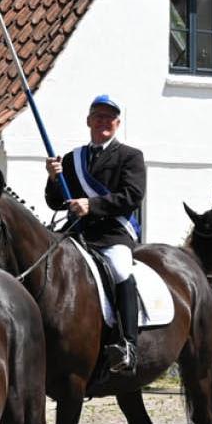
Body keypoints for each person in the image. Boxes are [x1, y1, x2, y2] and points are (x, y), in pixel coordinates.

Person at [44, 94, 146, 374]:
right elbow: (55, 202)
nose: (104, 122)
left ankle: (128, 344)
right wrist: (54, 178)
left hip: (112, 233)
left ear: (117, 123)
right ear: (89, 121)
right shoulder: (73, 158)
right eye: (98, 116)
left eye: (109, 118)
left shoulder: (130, 156)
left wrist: (93, 204)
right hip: (78, 232)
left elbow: (132, 196)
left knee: (120, 269)